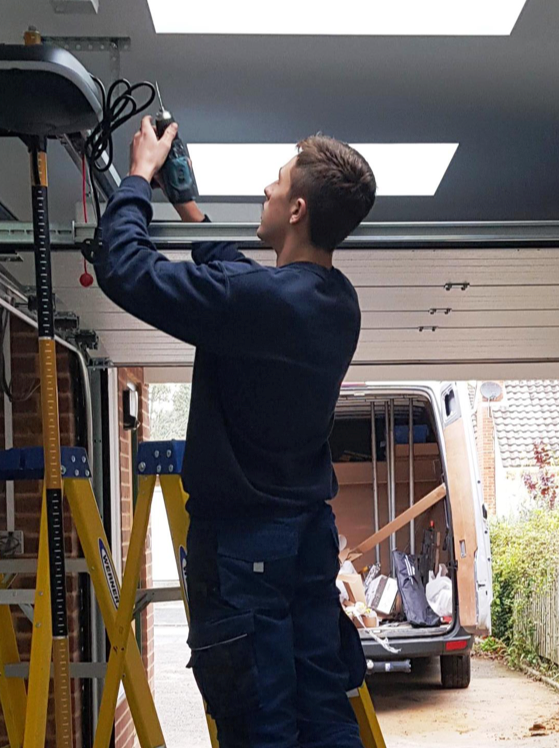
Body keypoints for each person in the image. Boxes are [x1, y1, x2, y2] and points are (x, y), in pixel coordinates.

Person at [93, 116, 377, 748]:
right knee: (322, 707)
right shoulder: (336, 301)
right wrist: (187, 205)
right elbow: (243, 281)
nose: (266, 191)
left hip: (247, 546)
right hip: (303, 538)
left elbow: (124, 268)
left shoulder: (264, 303)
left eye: (276, 184)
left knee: (262, 727)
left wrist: (138, 175)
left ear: (297, 208)